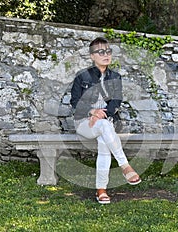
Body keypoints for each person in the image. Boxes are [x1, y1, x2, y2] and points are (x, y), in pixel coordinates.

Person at [70, 37, 141, 204]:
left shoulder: (115, 77)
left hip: (106, 122)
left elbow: (116, 101)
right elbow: (75, 102)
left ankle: (101, 191)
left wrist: (102, 115)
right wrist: (92, 111)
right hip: (84, 124)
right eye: (100, 52)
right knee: (103, 126)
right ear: (92, 56)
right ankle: (125, 166)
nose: (106, 54)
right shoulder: (82, 76)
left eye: (108, 51)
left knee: (104, 138)